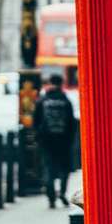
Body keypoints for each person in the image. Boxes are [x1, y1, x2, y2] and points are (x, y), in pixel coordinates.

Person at [33, 73, 75, 208]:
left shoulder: (42, 100)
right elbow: (71, 123)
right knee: (65, 169)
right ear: (61, 84)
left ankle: (51, 197)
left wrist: (39, 138)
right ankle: (62, 192)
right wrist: (70, 140)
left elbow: (35, 122)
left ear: (50, 83)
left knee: (48, 168)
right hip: (63, 141)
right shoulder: (65, 100)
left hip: (47, 142)